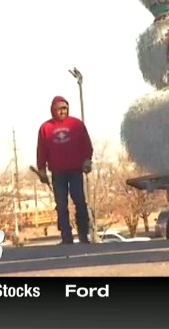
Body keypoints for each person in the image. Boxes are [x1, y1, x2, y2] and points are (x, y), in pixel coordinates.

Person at [36, 96, 94, 244]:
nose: (62, 111)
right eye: (59, 109)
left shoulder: (77, 124)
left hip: (75, 171)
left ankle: (84, 235)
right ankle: (66, 236)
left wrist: (87, 160)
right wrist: (41, 170)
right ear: (53, 110)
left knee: (80, 202)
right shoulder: (45, 128)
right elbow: (41, 150)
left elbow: (86, 145)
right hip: (58, 173)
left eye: (64, 108)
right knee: (61, 205)